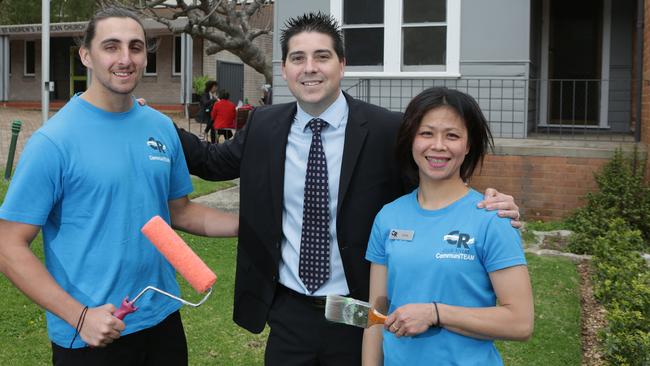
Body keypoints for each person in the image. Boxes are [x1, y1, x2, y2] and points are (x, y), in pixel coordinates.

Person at [176, 12, 521, 365]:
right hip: (288, 310)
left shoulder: (386, 130)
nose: (310, 68)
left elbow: (435, 188)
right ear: (284, 70)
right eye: (298, 58)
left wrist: (487, 203)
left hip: (359, 312)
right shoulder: (264, 125)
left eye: (322, 56)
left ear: (342, 65)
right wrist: (153, 123)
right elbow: (211, 161)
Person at [0, 7, 237, 366]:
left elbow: (181, 212)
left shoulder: (160, 127)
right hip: (92, 333)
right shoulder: (54, 141)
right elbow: (8, 243)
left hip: (162, 322)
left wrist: (251, 221)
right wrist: (80, 316)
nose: (125, 59)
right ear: (86, 56)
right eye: (111, 47)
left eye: (136, 47)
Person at [362, 87, 534, 365]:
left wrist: (435, 314)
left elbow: (520, 322)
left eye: (452, 135)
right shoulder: (388, 217)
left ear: (468, 146)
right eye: (426, 133)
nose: (438, 145)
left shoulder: (491, 218)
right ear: (411, 140)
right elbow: (376, 315)